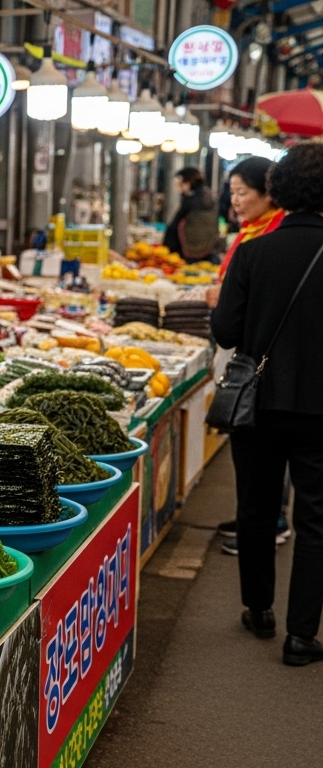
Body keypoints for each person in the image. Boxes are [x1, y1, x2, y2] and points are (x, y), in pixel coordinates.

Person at [210, 141, 323, 666]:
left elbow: (226, 329)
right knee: (316, 520)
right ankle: (302, 636)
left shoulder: (254, 252)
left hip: (257, 402)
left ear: (277, 190)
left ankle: (259, 611)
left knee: (256, 508)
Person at [209, 157, 290, 556]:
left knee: (262, 464)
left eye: (243, 191)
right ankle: (257, 519)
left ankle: (265, 524)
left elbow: (231, 321)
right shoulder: (252, 232)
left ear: (270, 191)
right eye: (233, 191)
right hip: (286, 372)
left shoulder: (266, 239)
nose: (235, 200)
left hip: (261, 365)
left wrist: (220, 303)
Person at [162, 167, 220, 263]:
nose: (177, 185)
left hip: (185, 250)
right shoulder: (209, 198)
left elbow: (176, 225)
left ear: (187, 181)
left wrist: (167, 247)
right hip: (207, 248)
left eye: (179, 180)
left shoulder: (192, 200)